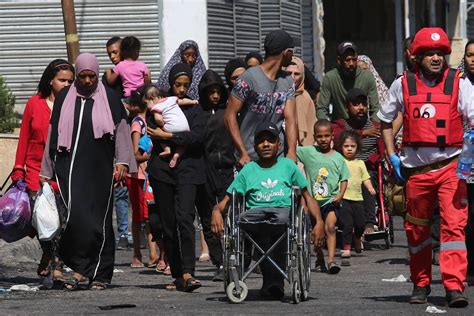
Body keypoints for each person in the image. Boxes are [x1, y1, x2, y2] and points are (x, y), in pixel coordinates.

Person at [378, 27, 472, 307]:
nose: (435, 58)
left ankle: (454, 286)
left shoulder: (460, 82)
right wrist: (391, 156)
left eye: (440, 53)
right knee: (416, 231)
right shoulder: (402, 84)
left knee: (454, 228)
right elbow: (385, 121)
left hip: (451, 169)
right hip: (415, 172)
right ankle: (420, 284)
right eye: (428, 53)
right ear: (416, 57)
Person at [40, 53, 136, 290]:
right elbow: (53, 133)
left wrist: (122, 161)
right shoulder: (64, 98)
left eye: (91, 76)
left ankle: (101, 274)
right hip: (69, 167)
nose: (86, 81)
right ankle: (82, 268)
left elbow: (122, 131)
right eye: (82, 76)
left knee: (100, 219)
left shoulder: (110, 98)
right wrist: (46, 167)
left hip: (99, 168)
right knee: (76, 217)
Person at [211, 121, 325, 299]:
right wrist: (216, 212)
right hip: (255, 219)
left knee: (278, 228)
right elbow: (226, 200)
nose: (265, 144)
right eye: (261, 141)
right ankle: (270, 283)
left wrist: (318, 222)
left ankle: (273, 283)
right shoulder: (249, 170)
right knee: (254, 227)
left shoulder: (288, 166)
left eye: (270, 140)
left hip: (281, 217)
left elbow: (308, 196)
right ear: (255, 146)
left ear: (278, 145)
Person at [12, 59, 74, 283]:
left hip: (63, 171)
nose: (66, 84)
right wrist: (18, 169)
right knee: (41, 218)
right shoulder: (34, 103)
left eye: (70, 81)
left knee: (61, 218)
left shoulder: (75, 106)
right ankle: (50, 254)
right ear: (51, 81)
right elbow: (24, 138)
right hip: (35, 171)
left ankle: (55, 259)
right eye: (62, 80)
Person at [146, 63, 205, 292]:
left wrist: (170, 135)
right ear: (169, 84)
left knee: (185, 219)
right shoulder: (160, 103)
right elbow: (152, 130)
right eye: (177, 85)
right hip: (162, 170)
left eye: (186, 85)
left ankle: (189, 271)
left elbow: (198, 137)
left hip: (188, 169)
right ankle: (178, 273)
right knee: (167, 224)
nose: (181, 89)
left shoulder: (195, 109)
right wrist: (177, 137)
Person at [225, 29, 298, 166]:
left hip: (278, 157)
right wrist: (242, 153)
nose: (293, 55)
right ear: (286, 52)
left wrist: (292, 152)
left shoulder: (287, 81)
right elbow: (229, 115)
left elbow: (291, 119)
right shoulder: (249, 78)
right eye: (292, 51)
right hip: (249, 158)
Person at [297, 119, 350, 274]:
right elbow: (292, 150)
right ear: (314, 137)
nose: (323, 139)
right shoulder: (308, 152)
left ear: (332, 136)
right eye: (320, 136)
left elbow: (344, 178)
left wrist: (341, 194)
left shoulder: (338, 157)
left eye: (327, 136)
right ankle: (319, 257)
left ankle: (331, 260)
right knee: (317, 232)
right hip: (313, 202)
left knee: (330, 227)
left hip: (331, 200)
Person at [198, 69, 234, 281]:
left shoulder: (229, 112)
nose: (215, 96)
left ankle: (234, 258)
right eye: (210, 92)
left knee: (229, 216)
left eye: (217, 91)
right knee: (207, 218)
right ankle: (219, 261)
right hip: (206, 170)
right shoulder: (198, 114)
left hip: (228, 169)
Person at [332, 88, 383, 234]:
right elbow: (337, 137)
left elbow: (382, 150)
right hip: (345, 168)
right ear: (348, 107)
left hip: (367, 168)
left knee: (366, 181)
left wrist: (372, 160)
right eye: (356, 104)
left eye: (363, 104)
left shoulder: (375, 126)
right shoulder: (341, 125)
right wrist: (363, 133)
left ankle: (369, 222)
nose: (361, 108)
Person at [124, 86, 160, 269]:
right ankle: (139, 254)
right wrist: (153, 156)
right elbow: (136, 152)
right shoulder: (138, 123)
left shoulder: (156, 120)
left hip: (151, 174)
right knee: (141, 217)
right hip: (138, 176)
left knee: (152, 215)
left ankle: (154, 254)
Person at [102, 36, 131, 250]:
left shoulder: (135, 74)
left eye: (116, 52)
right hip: (114, 139)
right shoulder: (108, 80)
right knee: (118, 188)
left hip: (136, 137)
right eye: (109, 54)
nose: (113, 57)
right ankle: (122, 232)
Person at [336, 130, 375, 266]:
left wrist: (370, 188)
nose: (349, 149)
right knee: (347, 224)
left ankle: (357, 238)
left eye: (352, 146)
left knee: (360, 225)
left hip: (358, 199)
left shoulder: (360, 163)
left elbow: (365, 178)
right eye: (346, 146)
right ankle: (346, 247)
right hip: (344, 198)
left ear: (357, 147)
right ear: (341, 147)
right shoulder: (339, 161)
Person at [316, 41, 380, 122]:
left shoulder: (367, 77)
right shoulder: (330, 78)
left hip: (362, 124)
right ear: (339, 60)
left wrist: (373, 125)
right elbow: (322, 108)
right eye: (347, 60)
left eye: (354, 59)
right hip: (340, 126)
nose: (351, 63)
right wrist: (326, 126)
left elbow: (375, 108)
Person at [144, 85, 197, 168]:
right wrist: (193, 101)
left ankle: (167, 149)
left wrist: (161, 125)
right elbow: (182, 101)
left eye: (146, 103)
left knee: (160, 134)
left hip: (171, 128)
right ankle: (176, 155)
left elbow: (158, 119)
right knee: (183, 143)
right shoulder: (171, 99)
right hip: (185, 127)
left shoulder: (156, 107)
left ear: (152, 99)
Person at [459, 39, 474, 284]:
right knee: (468, 217)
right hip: (465, 160)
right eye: (470, 55)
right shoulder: (458, 83)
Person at [285, 56, 316, 146]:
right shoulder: (276, 95)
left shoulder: (305, 98)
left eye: (297, 74)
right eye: (288, 73)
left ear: (302, 76)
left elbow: (311, 129)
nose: (292, 77)